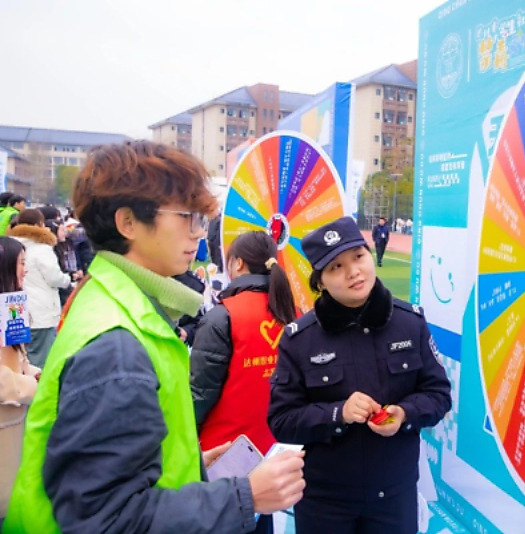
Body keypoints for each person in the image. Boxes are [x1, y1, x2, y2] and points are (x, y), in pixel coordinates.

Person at [3, 140, 305, 533]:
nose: (199, 233)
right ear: (128, 223)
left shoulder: (115, 302)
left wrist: (190, 467)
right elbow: (106, 519)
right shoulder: (117, 344)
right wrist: (243, 497)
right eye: (187, 217)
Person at [268, 216, 451, 534]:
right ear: (320, 282)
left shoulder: (410, 323)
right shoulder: (299, 339)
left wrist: (404, 413)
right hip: (324, 503)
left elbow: (438, 396)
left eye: (358, 256)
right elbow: (282, 420)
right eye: (336, 267)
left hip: (394, 498)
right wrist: (337, 413)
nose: (353, 271)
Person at [192, 230, 296, 454]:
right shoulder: (294, 313)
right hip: (282, 449)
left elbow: (200, 394)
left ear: (238, 263)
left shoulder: (223, 316)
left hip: (224, 451)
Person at [0, 237, 39, 523]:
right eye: (21, 263)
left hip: (14, 421)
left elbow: (16, 357)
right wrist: (33, 386)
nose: (26, 270)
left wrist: (32, 371)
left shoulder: (11, 306)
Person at [7, 209, 73, 367]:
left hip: (14, 310)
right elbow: (54, 277)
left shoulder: (10, 246)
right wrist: (67, 280)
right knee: (41, 359)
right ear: (39, 225)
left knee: (19, 358)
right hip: (41, 312)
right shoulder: (41, 248)